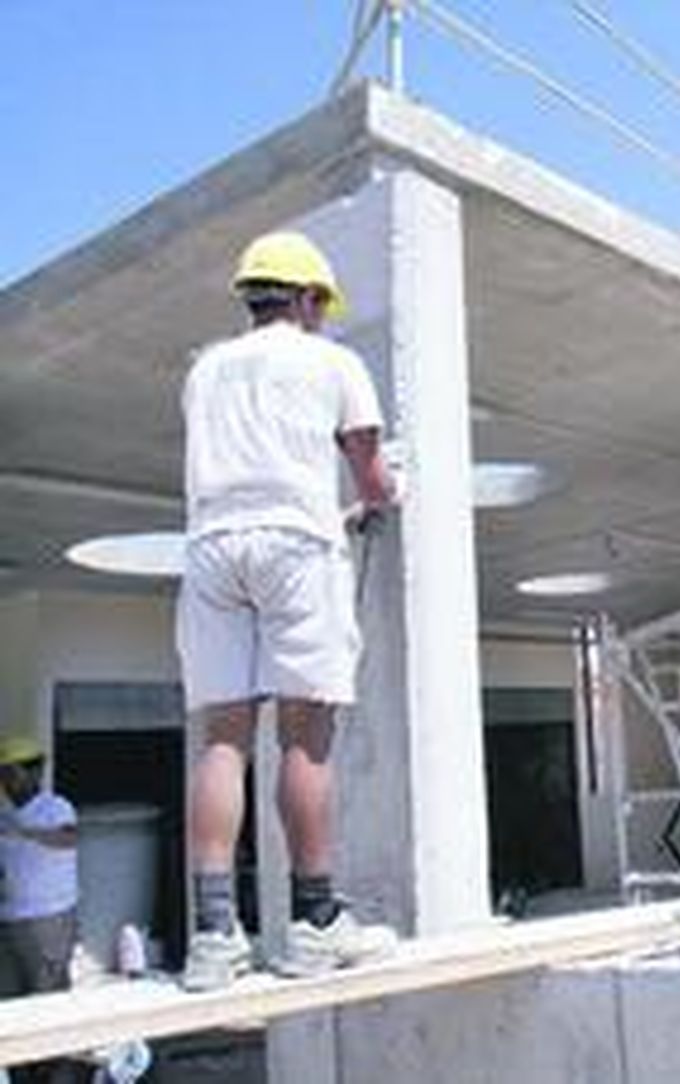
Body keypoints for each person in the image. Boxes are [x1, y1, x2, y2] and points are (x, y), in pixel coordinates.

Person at [177, 231, 398, 992]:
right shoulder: (333, 363)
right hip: (295, 547)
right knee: (306, 733)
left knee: (223, 740)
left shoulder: (204, 370)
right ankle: (314, 922)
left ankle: (214, 939)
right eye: (320, 306)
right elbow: (371, 478)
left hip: (210, 550)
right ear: (305, 299)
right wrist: (385, 497)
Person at [0, 734, 79, 1084]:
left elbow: (68, 838)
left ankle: (54, 1075)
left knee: (49, 1004)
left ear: (33, 772)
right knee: (13, 1003)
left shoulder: (55, 807)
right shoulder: (6, 814)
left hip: (50, 919)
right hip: (11, 920)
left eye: (10, 772)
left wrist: (25, 832)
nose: (4, 781)